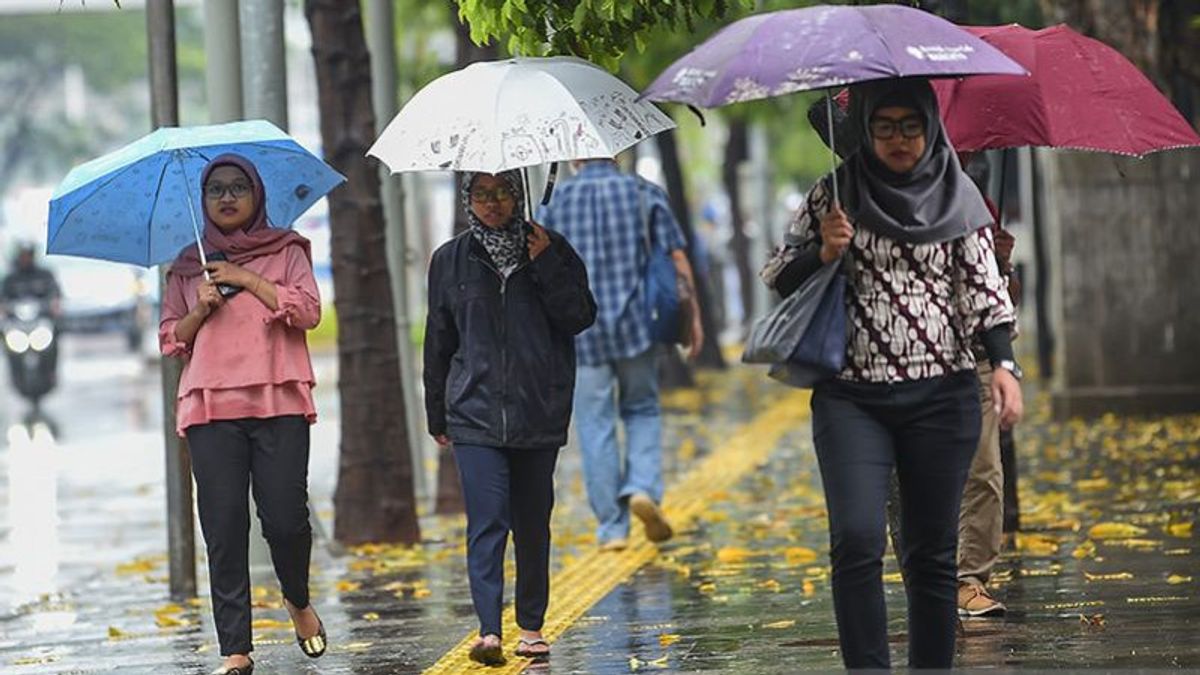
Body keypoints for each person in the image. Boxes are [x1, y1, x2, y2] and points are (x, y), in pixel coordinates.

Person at [761, 79, 1022, 669]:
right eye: (885, 126)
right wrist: (822, 251)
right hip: (851, 397)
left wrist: (1004, 365)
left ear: (929, 126)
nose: (899, 139)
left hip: (942, 394)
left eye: (910, 126)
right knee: (855, 540)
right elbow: (778, 276)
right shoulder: (833, 194)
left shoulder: (960, 196)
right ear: (866, 129)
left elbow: (984, 292)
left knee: (931, 554)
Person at [159, 154, 326, 675]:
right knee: (224, 528)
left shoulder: (288, 251)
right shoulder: (188, 264)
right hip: (211, 408)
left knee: (285, 521)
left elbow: (309, 312)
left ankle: (296, 599)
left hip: (279, 402)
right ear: (204, 202)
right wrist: (200, 307)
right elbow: (170, 339)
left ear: (256, 194)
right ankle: (236, 648)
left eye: (237, 188)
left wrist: (244, 278)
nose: (227, 197)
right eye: (216, 190)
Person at [424, 170, 596, 665]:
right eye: (482, 194)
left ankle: (532, 625)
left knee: (532, 521)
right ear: (468, 200)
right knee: (487, 519)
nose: (493, 203)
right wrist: (438, 412)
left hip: (537, 408)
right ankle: (487, 631)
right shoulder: (450, 259)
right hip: (473, 412)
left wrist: (545, 265)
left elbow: (579, 317)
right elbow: (439, 341)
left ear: (518, 195)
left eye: (503, 193)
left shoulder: (552, 248)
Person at [537, 158, 703, 551]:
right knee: (642, 408)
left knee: (595, 425)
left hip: (582, 332)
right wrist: (693, 318)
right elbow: (677, 259)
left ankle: (612, 528)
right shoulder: (644, 192)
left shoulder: (553, 204)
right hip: (639, 328)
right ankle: (643, 486)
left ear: (576, 156)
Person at [1, 243, 61, 313]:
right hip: (15, 316)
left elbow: (54, 291)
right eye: (23, 255)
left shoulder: (44, 275)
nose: (26, 258)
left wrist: (54, 302)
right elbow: (4, 296)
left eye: (28, 255)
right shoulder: (11, 278)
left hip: (42, 314)